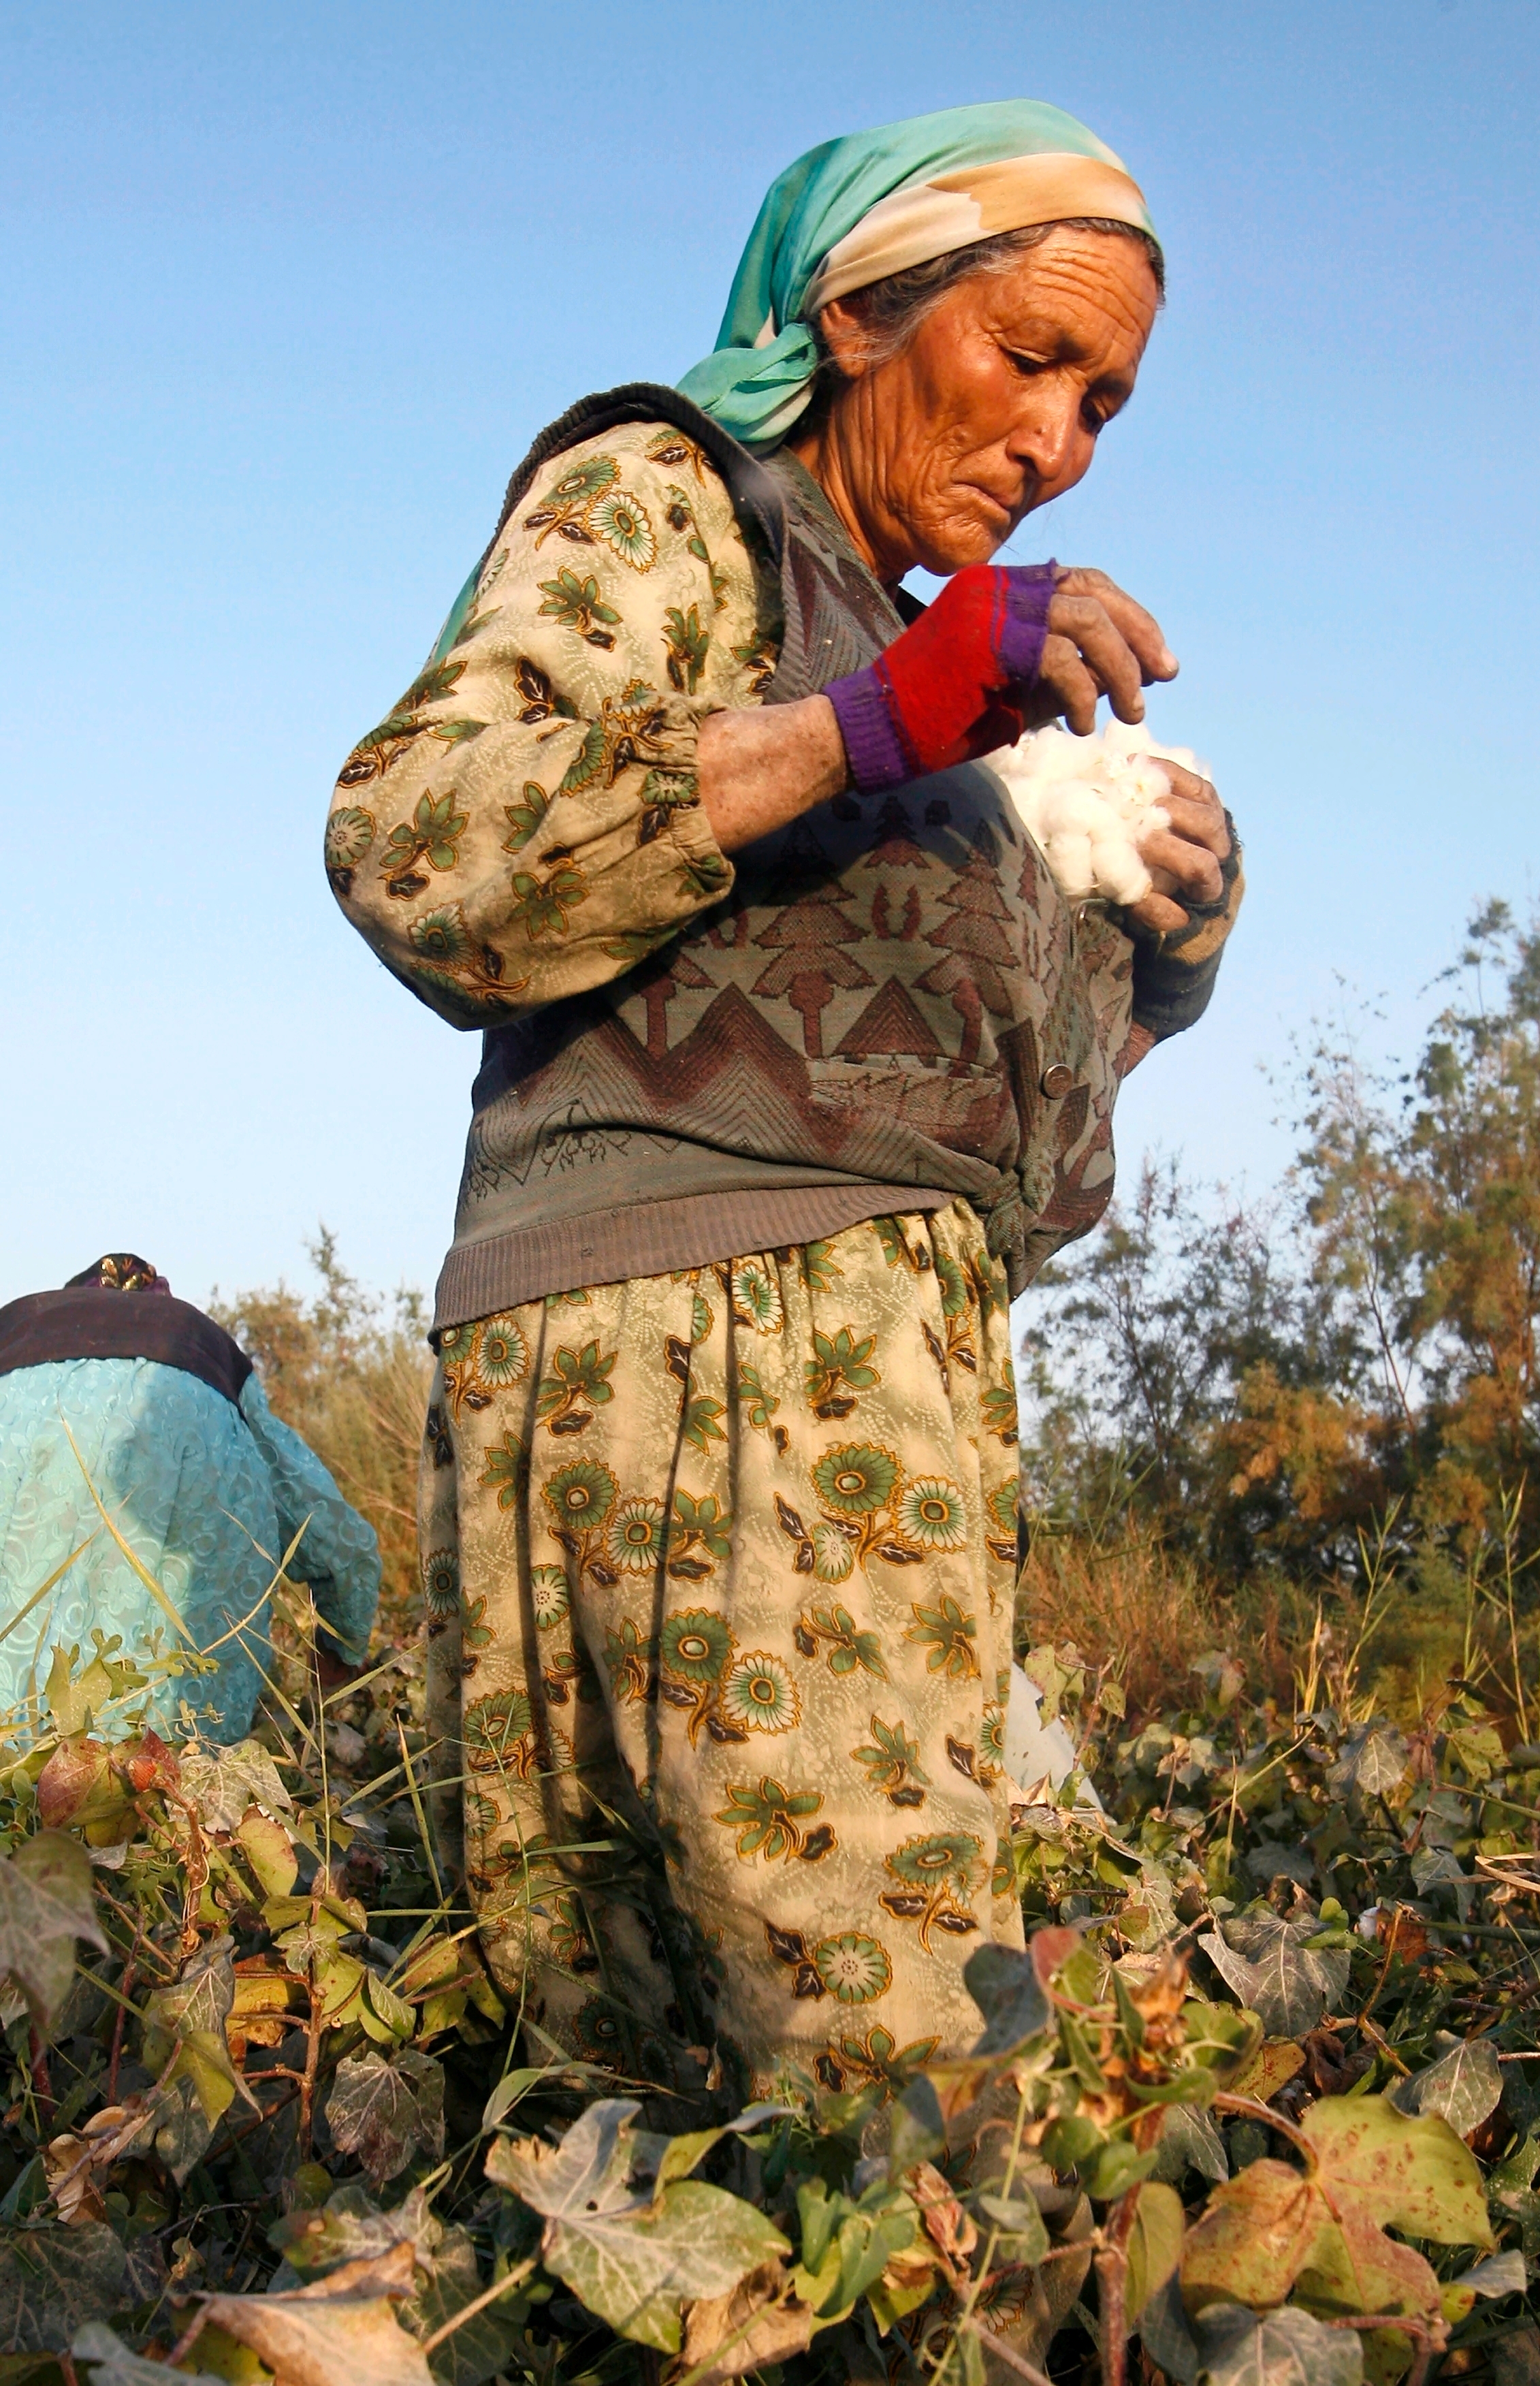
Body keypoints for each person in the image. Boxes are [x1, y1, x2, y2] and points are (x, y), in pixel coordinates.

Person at [327, 101, 1242, 2100]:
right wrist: (871, 719)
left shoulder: (927, 709)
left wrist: (1146, 953)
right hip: (702, 1367)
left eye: (1102, 406)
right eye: (1026, 359)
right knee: (895, 2107)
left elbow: (1013, 1182)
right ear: (853, 310)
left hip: (868, 1390)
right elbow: (419, 848)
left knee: (646, 2134)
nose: (1058, 442)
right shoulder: (677, 499)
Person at [0, 1254, 380, 1740]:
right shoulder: (207, 1357)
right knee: (172, 1761)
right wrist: (340, 1652)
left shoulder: (16, 1334)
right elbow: (336, 1540)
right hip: (167, 1748)